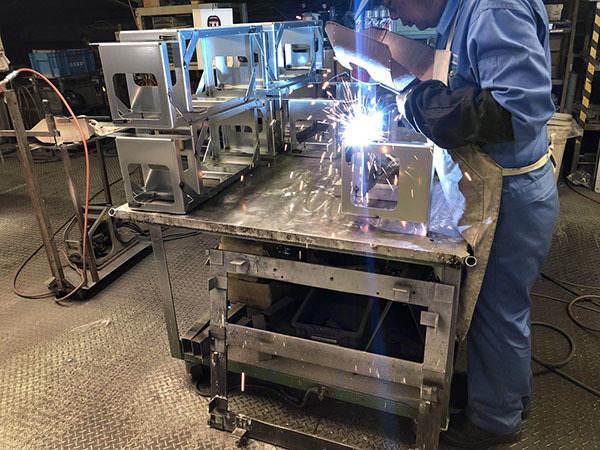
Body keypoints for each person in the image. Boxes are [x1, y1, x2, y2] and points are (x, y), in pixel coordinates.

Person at [378, 0, 560, 448]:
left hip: (508, 194)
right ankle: (507, 396)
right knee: (499, 309)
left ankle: (494, 423)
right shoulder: (464, 11)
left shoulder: (495, 9)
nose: (395, 15)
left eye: (392, 2)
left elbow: (519, 109)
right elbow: (471, 80)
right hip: (497, 185)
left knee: (493, 313)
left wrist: (422, 103)